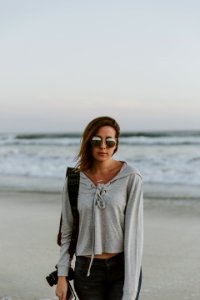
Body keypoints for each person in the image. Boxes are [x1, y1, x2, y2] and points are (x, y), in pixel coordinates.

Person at [56, 116, 143, 300]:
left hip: (122, 268)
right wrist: (62, 276)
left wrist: (130, 289)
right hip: (86, 272)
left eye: (109, 141)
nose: (103, 146)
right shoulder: (73, 180)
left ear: (116, 145)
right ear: (88, 142)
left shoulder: (131, 177)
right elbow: (67, 232)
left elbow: (135, 235)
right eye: (97, 140)